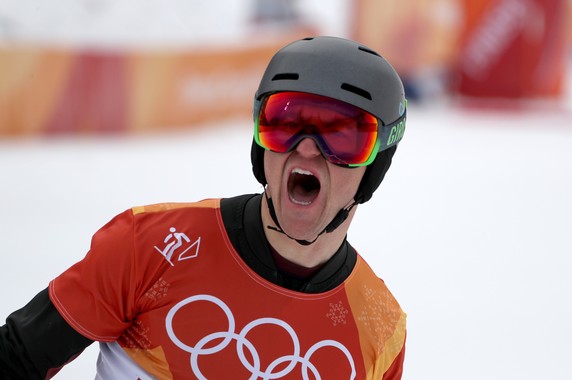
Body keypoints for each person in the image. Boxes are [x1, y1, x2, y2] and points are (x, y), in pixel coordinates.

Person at [0, 36, 407, 379]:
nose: (305, 148)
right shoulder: (152, 246)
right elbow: (16, 357)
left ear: (375, 167)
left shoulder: (378, 327)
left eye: (342, 137)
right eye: (283, 122)